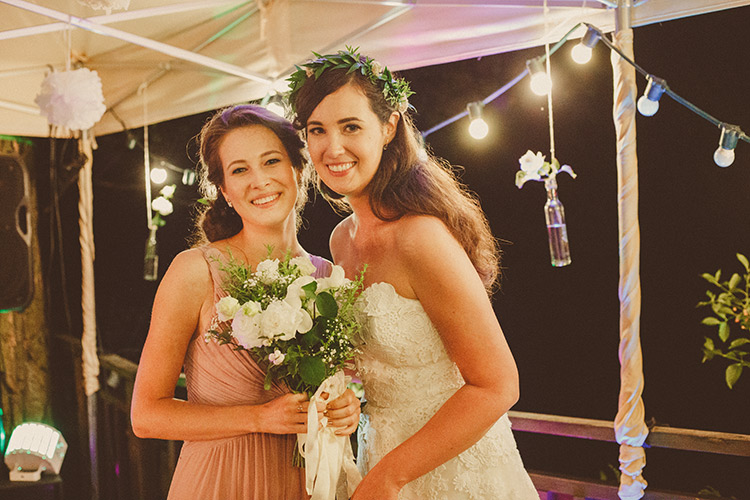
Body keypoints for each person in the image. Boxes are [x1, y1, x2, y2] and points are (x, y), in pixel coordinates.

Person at [288, 48, 538, 499]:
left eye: (350, 127)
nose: (332, 148)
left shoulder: (420, 236)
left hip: (454, 469)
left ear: (389, 127)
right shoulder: (341, 240)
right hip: (380, 454)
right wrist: (348, 399)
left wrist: (390, 477)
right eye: (317, 130)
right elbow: (374, 364)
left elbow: (499, 385)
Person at [130, 105, 361, 500]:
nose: (259, 180)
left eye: (271, 161)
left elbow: (335, 385)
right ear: (224, 190)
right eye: (239, 170)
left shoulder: (328, 277)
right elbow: (147, 416)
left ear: (298, 169)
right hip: (221, 483)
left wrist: (346, 408)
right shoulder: (196, 270)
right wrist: (258, 418)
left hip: (306, 483)